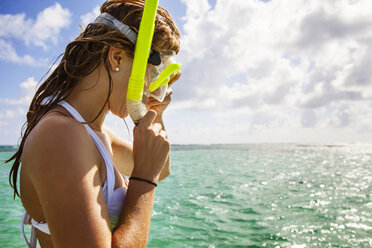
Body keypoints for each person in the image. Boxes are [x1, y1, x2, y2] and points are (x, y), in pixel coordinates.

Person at [5, 0, 181, 247]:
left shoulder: (96, 133)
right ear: (116, 57)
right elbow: (151, 171)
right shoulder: (61, 134)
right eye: (151, 74)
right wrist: (144, 178)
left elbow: (161, 169)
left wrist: (157, 112)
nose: (150, 88)